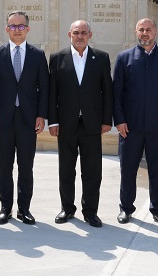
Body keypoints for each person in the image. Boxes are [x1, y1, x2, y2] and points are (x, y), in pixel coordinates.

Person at [112, 18, 158, 226]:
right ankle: (126, 208)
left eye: (148, 29)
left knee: (157, 170)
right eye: (141, 29)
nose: (145, 33)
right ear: (136, 32)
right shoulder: (124, 58)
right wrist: (119, 120)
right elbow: (116, 94)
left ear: (155, 32)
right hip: (129, 127)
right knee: (127, 169)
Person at [0, 11, 49, 225]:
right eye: (13, 26)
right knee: (4, 166)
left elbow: (44, 88)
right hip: (3, 118)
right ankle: (5, 208)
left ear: (28, 29)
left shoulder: (38, 55)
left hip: (28, 119)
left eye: (21, 26)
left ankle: (24, 209)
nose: (17, 30)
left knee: (26, 166)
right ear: (7, 29)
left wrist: (41, 115)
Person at [48, 20, 113, 228]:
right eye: (76, 32)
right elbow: (52, 93)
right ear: (69, 34)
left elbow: (107, 91)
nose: (80, 36)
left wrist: (106, 120)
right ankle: (67, 208)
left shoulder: (101, 58)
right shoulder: (57, 58)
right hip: (66, 123)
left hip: (91, 123)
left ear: (90, 35)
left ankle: (90, 211)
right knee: (66, 169)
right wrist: (53, 121)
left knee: (92, 171)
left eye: (84, 32)